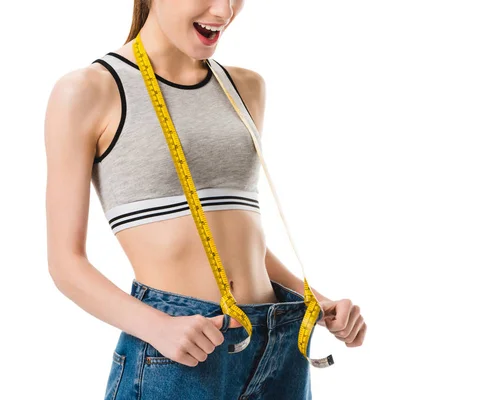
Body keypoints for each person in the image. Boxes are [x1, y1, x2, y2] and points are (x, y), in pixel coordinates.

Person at [44, 0, 366, 399]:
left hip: (280, 345)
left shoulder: (245, 88)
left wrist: (319, 302)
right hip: (178, 353)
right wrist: (157, 327)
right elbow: (65, 264)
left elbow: (240, 242)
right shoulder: (89, 91)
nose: (224, 11)